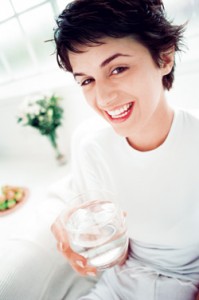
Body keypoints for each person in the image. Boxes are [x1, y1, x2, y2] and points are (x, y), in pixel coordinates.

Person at [51, 0, 199, 299]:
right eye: (87, 80)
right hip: (116, 286)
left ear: (164, 57)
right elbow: (109, 247)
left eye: (118, 69)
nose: (103, 98)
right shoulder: (90, 144)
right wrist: (67, 227)